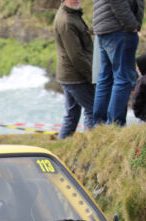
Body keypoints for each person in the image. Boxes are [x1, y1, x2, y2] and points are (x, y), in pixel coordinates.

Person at [92, 0, 144, 126]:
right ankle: (115, 124)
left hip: (104, 28)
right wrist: (131, 24)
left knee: (106, 77)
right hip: (119, 29)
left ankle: (100, 124)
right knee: (123, 78)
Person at [54, 0, 95, 138]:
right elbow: (76, 55)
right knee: (93, 110)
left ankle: (62, 144)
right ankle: (91, 144)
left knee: (72, 114)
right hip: (75, 76)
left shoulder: (72, 14)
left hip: (68, 75)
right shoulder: (66, 21)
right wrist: (91, 76)